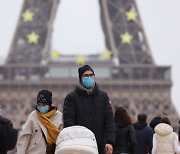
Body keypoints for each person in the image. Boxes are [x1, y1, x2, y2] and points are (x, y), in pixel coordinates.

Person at [63, 65, 115, 154]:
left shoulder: (103, 97)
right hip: (80, 146)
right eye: (86, 75)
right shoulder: (71, 98)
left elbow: (109, 121)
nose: (89, 77)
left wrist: (109, 141)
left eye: (91, 75)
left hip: (100, 146)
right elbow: (68, 122)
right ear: (80, 78)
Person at [17, 89, 63, 154]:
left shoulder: (59, 117)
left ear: (49, 104)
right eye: (39, 105)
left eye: (43, 105)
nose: (41, 107)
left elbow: (63, 140)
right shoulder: (33, 116)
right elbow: (24, 139)